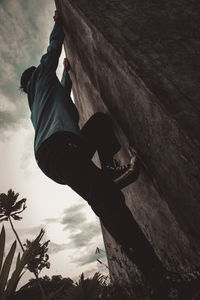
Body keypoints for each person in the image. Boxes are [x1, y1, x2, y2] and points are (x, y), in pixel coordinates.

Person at [20, 10, 200, 299]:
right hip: (62, 149)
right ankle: (162, 281)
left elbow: (64, 97)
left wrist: (67, 73)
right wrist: (58, 25)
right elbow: (51, 52)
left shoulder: (39, 106)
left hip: (59, 153)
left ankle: (110, 173)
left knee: (99, 125)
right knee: (108, 203)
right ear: (34, 77)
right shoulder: (40, 77)